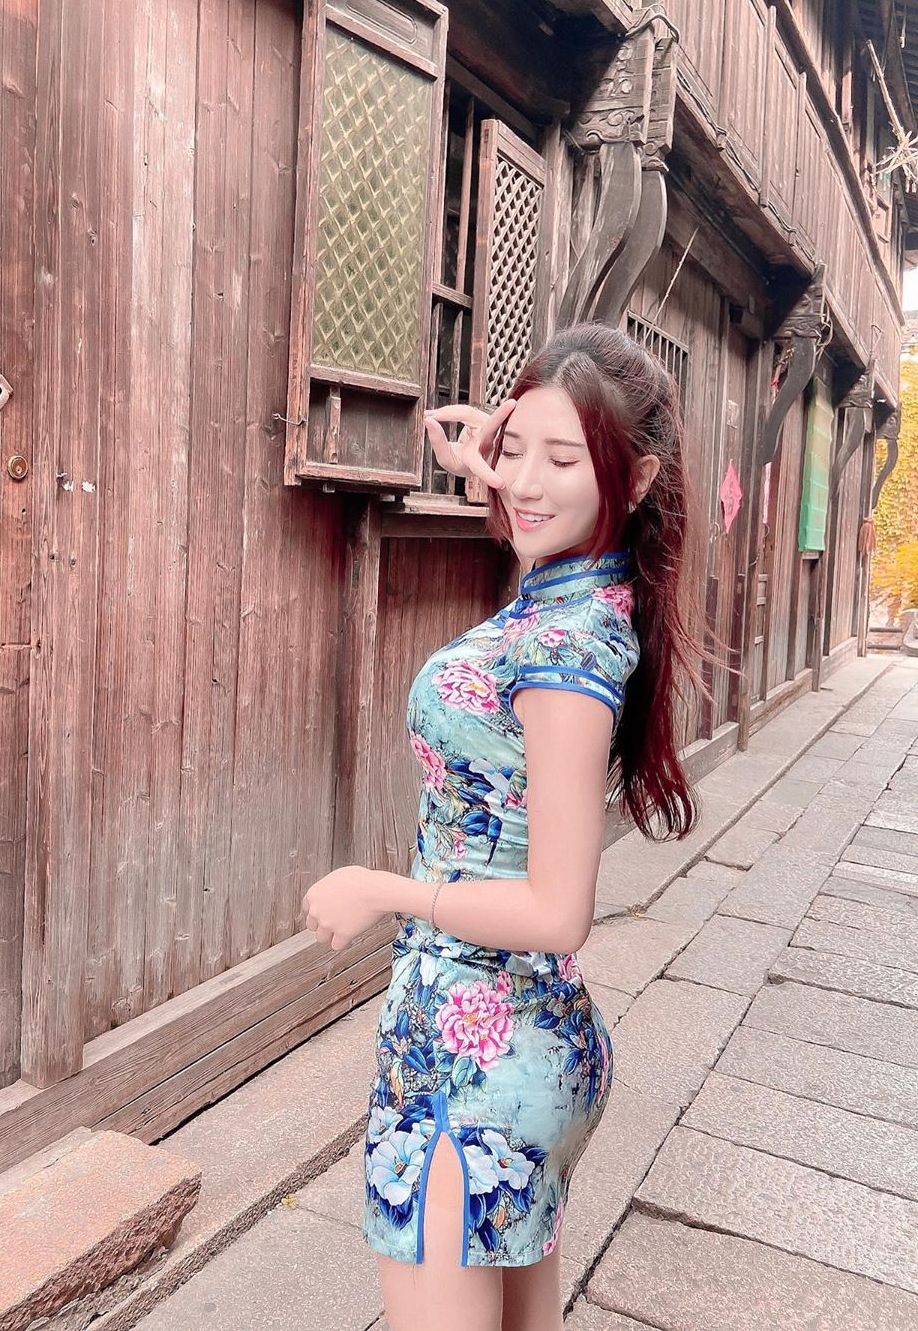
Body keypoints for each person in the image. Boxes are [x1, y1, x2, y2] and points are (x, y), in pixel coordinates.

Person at [302, 323, 721, 1331]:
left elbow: (557, 910)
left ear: (636, 478)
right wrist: (496, 465)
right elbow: (540, 509)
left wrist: (383, 890)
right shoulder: (586, 596)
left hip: (475, 1067)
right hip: (507, 1039)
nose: (525, 483)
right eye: (515, 450)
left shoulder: (567, 651)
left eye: (563, 460)